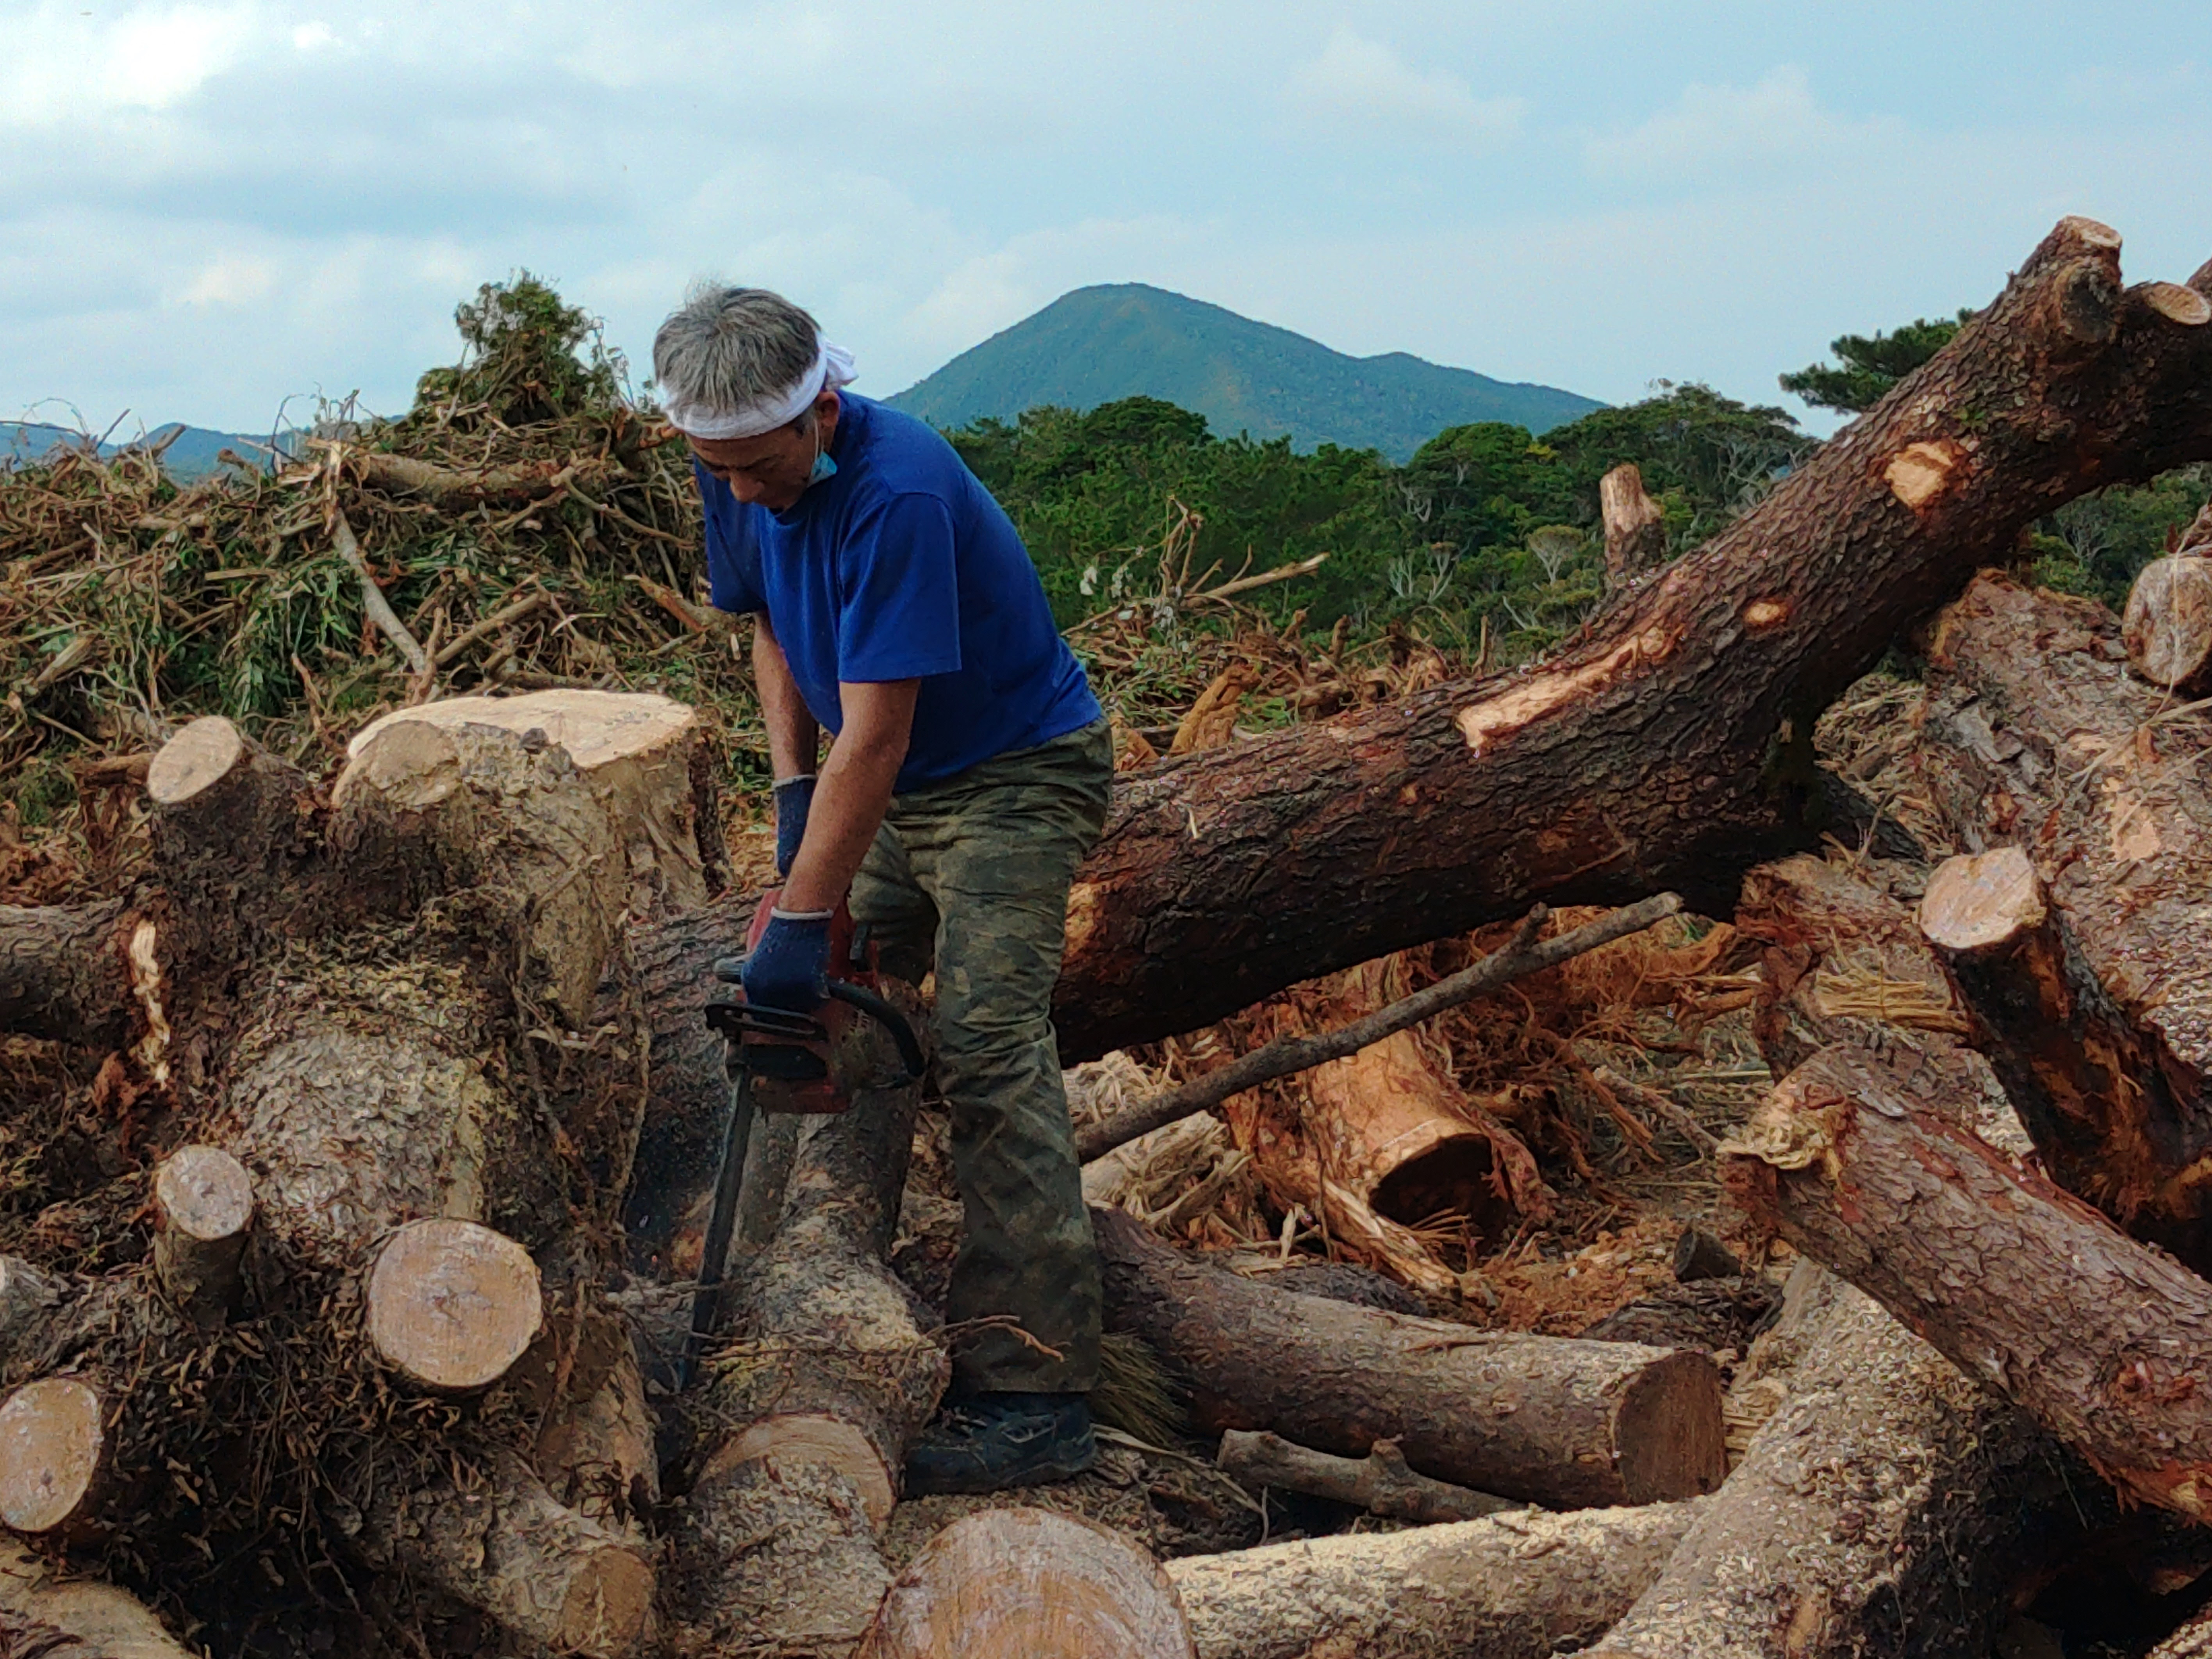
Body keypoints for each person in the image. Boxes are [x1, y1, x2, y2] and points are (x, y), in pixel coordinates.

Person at [653, 284, 1113, 1495]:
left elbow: (885, 737)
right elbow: (766, 628)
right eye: (719, 469)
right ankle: (782, 1280)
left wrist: (805, 912)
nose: (741, 492)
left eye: (759, 466)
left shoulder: (897, 491)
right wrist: (792, 795)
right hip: (879, 772)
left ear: (823, 411)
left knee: (984, 1040)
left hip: (1010, 774)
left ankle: (1040, 1394)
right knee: (827, 1013)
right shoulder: (735, 459)